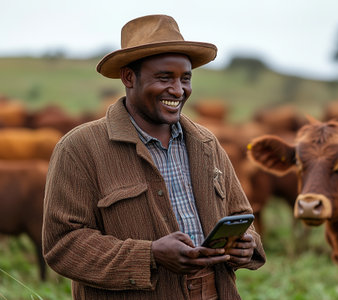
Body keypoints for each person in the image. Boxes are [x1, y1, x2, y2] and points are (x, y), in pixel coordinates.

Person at [42, 14, 266, 300]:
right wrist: (150, 255)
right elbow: (62, 245)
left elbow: (240, 217)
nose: (177, 90)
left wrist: (247, 246)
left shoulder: (207, 143)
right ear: (128, 77)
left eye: (185, 78)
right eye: (164, 77)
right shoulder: (79, 149)